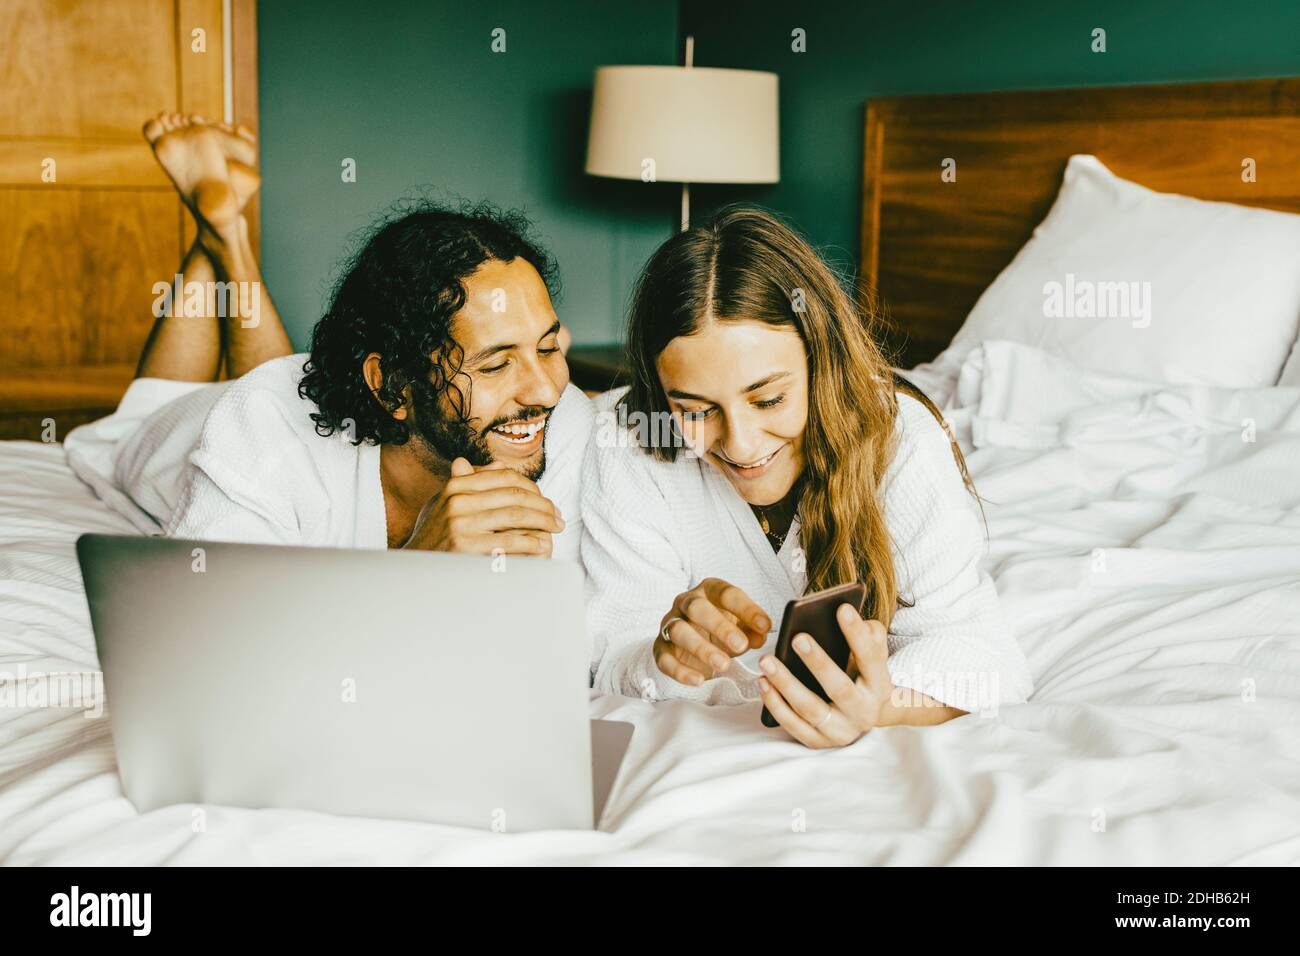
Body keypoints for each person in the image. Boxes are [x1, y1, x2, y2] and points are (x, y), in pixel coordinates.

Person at [581, 206, 1034, 747]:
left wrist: (882, 707)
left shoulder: (900, 441)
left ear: (823, 361)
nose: (742, 444)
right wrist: (663, 658)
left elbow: (984, 657)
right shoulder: (626, 442)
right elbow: (615, 659)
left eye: (769, 398)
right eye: (696, 410)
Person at [65, 113, 588, 558]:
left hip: (306, 396)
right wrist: (421, 565)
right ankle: (221, 233)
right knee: (159, 407)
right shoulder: (257, 436)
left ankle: (220, 230)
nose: (545, 392)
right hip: (174, 429)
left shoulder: (561, 427)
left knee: (286, 381)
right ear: (390, 385)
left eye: (547, 348)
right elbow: (212, 631)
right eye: (496, 364)